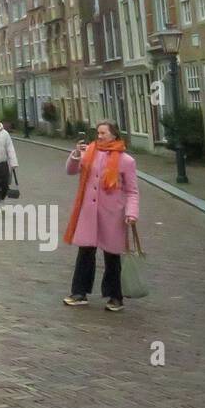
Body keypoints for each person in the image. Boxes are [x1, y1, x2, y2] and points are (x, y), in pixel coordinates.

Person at [63, 121, 139, 312]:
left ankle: (115, 296)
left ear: (114, 135)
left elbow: (132, 191)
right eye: (98, 133)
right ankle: (79, 293)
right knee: (85, 252)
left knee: (112, 255)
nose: (99, 136)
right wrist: (75, 156)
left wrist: (131, 213)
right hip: (89, 212)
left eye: (103, 133)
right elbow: (71, 171)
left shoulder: (126, 160)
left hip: (113, 214)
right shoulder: (89, 152)